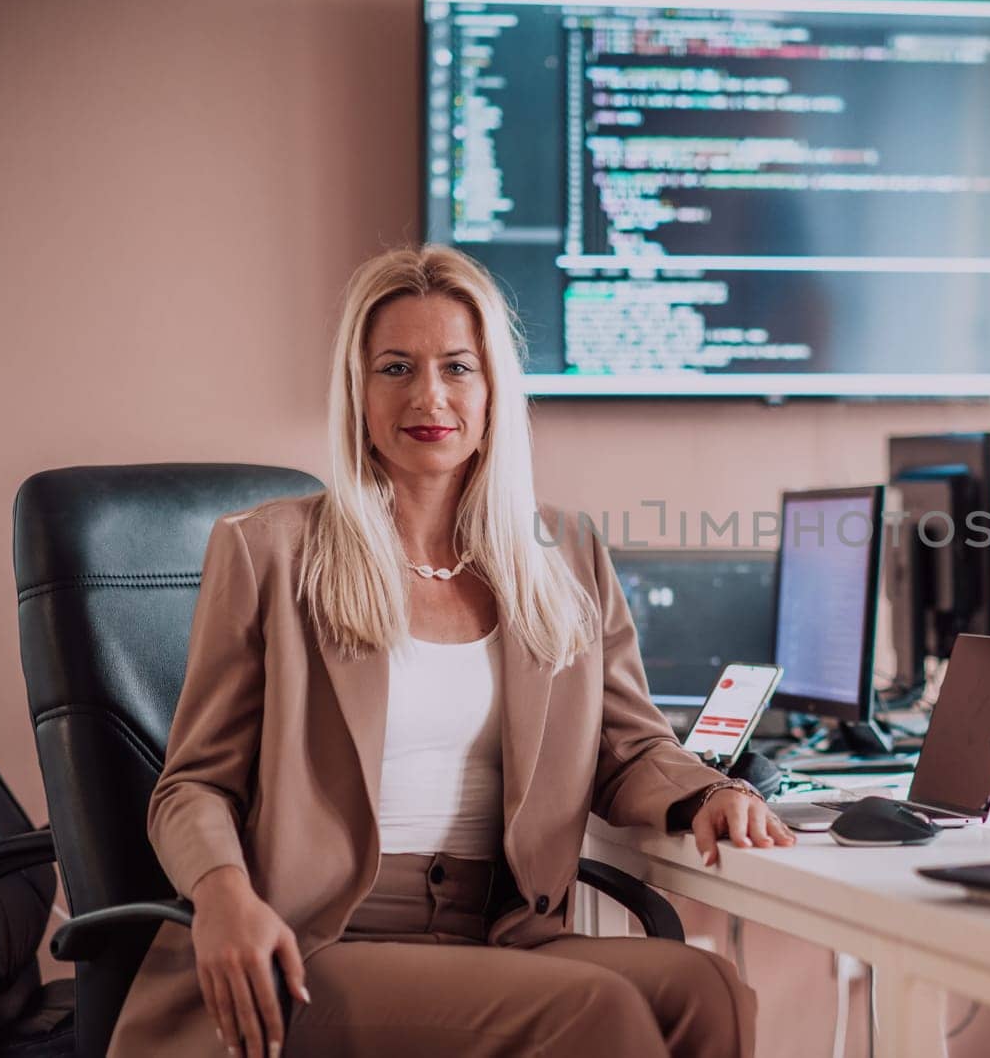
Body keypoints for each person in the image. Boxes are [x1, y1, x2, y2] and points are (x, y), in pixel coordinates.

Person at [109, 245, 795, 1057]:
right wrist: (223, 895)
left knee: (706, 989)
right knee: (593, 1013)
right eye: (396, 367)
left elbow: (628, 746)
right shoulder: (269, 553)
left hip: (497, 925)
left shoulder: (563, 555)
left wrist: (706, 794)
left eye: (457, 367)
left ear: (493, 389)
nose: (429, 395)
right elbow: (192, 786)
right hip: (318, 939)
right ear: (358, 392)